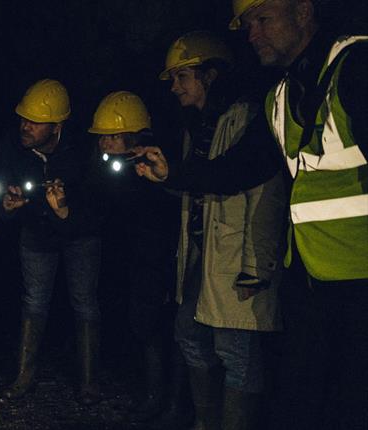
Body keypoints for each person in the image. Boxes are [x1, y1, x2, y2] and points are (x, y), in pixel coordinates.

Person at [136, 2, 368, 428]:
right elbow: (241, 169)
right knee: (307, 401)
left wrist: (254, 264)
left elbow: (264, 198)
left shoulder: (355, 68)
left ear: (303, 12)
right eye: (247, 24)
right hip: (311, 275)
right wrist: (175, 174)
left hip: (359, 280)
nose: (252, 33)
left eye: (263, 19)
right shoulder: (279, 96)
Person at [147, 31, 288, 430]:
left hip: (234, 255)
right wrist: (164, 176)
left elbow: (266, 190)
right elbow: (201, 181)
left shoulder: (244, 118)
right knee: (189, 333)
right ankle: (204, 423)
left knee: (236, 352)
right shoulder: (200, 125)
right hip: (203, 255)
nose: (175, 87)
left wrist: (257, 265)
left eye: (183, 77)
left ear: (210, 76)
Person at [0, 79, 102, 405]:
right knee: (34, 301)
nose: (25, 126)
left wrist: (66, 210)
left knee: (84, 302)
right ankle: (24, 376)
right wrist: (5, 207)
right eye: (23, 118)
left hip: (80, 235)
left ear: (57, 126)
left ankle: (89, 382)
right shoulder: (11, 146)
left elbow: (100, 202)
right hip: (37, 232)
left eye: (35, 122)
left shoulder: (82, 148)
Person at [84, 92, 190, 428]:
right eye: (102, 136)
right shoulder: (109, 169)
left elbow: (167, 212)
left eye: (112, 136)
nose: (104, 143)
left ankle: (171, 403)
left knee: (169, 328)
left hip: (160, 256)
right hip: (131, 256)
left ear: (133, 135)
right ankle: (153, 395)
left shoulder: (156, 164)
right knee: (144, 326)